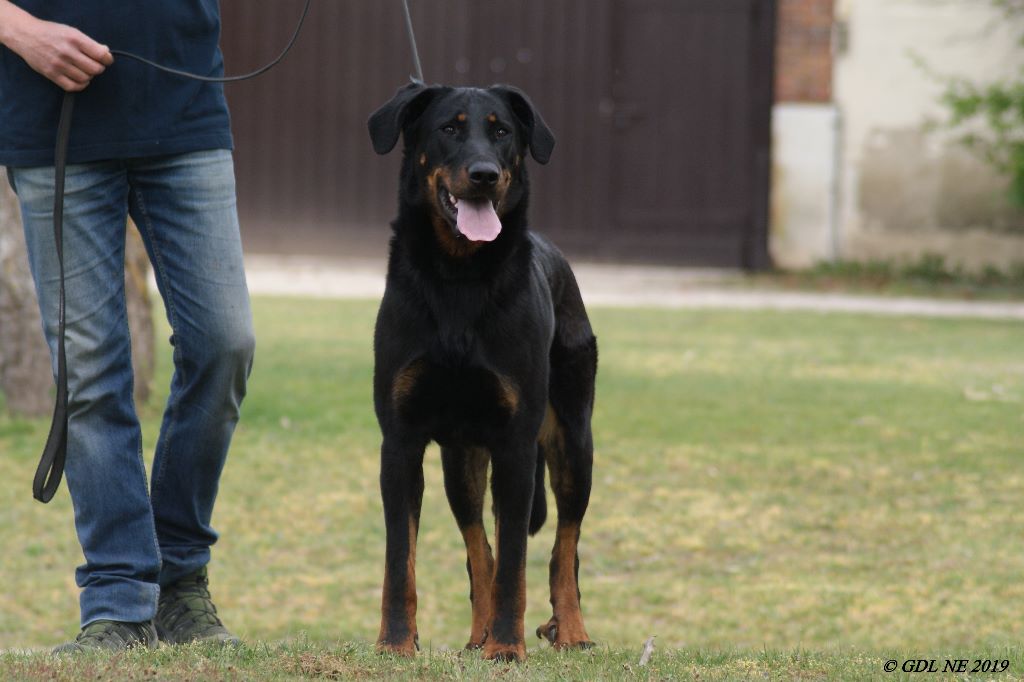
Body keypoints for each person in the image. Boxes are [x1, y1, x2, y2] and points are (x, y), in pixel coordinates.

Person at [0, 1, 255, 653]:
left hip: (186, 109)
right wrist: (20, 30)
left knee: (225, 345)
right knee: (89, 375)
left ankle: (178, 583)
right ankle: (118, 602)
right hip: (50, 115)